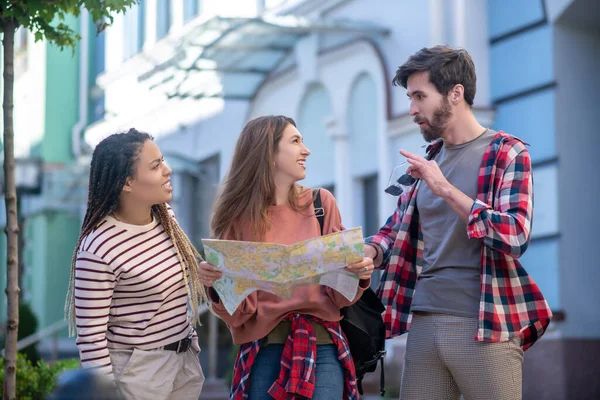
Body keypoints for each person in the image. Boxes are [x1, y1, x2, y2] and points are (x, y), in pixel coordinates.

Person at [363, 46, 553, 400]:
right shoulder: (427, 163)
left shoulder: (507, 153)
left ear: (455, 93)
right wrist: (368, 250)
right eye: (410, 97)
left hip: (482, 322)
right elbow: (395, 231)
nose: (412, 109)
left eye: (420, 96)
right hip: (423, 320)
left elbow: (515, 234)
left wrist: (445, 189)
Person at [198, 115, 374, 400]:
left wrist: (359, 273)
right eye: (295, 141)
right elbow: (238, 313)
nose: (306, 150)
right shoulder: (237, 218)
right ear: (268, 154)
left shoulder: (321, 204)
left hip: (324, 346)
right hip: (263, 350)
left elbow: (340, 297)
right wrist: (216, 285)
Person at [65, 129, 207, 400]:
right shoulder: (98, 248)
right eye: (156, 166)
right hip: (138, 376)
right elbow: (91, 340)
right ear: (127, 183)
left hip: (184, 363)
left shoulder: (165, 217)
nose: (168, 170)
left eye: (163, 161)